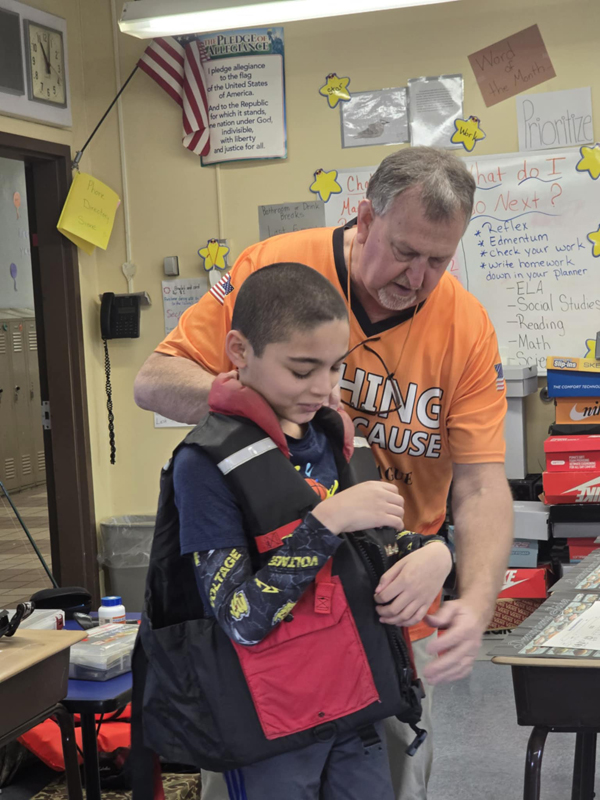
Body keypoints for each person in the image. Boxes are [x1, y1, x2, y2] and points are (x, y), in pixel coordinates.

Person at [134, 147, 514, 800]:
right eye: (404, 250)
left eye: (438, 260)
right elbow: (154, 378)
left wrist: (463, 586)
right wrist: (269, 409)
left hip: (374, 619)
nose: (417, 276)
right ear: (365, 219)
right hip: (263, 643)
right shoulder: (277, 273)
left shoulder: (465, 325)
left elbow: (480, 485)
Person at [140, 264, 453, 800]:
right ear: (239, 350)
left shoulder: (333, 441)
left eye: (334, 368)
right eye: (302, 368)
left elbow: (376, 550)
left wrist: (434, 554)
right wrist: (327, 521)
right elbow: (241, 619)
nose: (323, 388)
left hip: (354, 709)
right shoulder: (204, 464)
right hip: (270, 732)